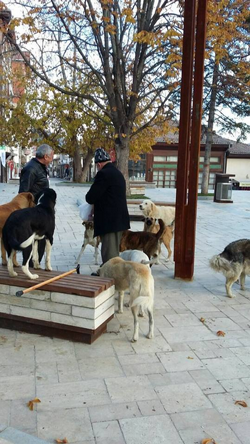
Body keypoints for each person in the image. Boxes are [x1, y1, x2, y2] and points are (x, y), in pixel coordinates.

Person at [85, 148, 130, 267]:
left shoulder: (103, 174)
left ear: (99, 164)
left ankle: (110, 280)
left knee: (110, 256)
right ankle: (110, 277)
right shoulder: (117, 172)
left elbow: (90, 197)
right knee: (114, 252)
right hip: (119, 220)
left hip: (110, 222)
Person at [18, 143, 54, 265]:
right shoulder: (31, 169)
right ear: (45, 156)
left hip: (42, 211)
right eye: (52, 156)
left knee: (42, 242)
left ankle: (36, 268)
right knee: (34, 244)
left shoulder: (41, 167)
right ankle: (31, 269)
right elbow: (23, 193)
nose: (52, 158)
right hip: (34, 214)